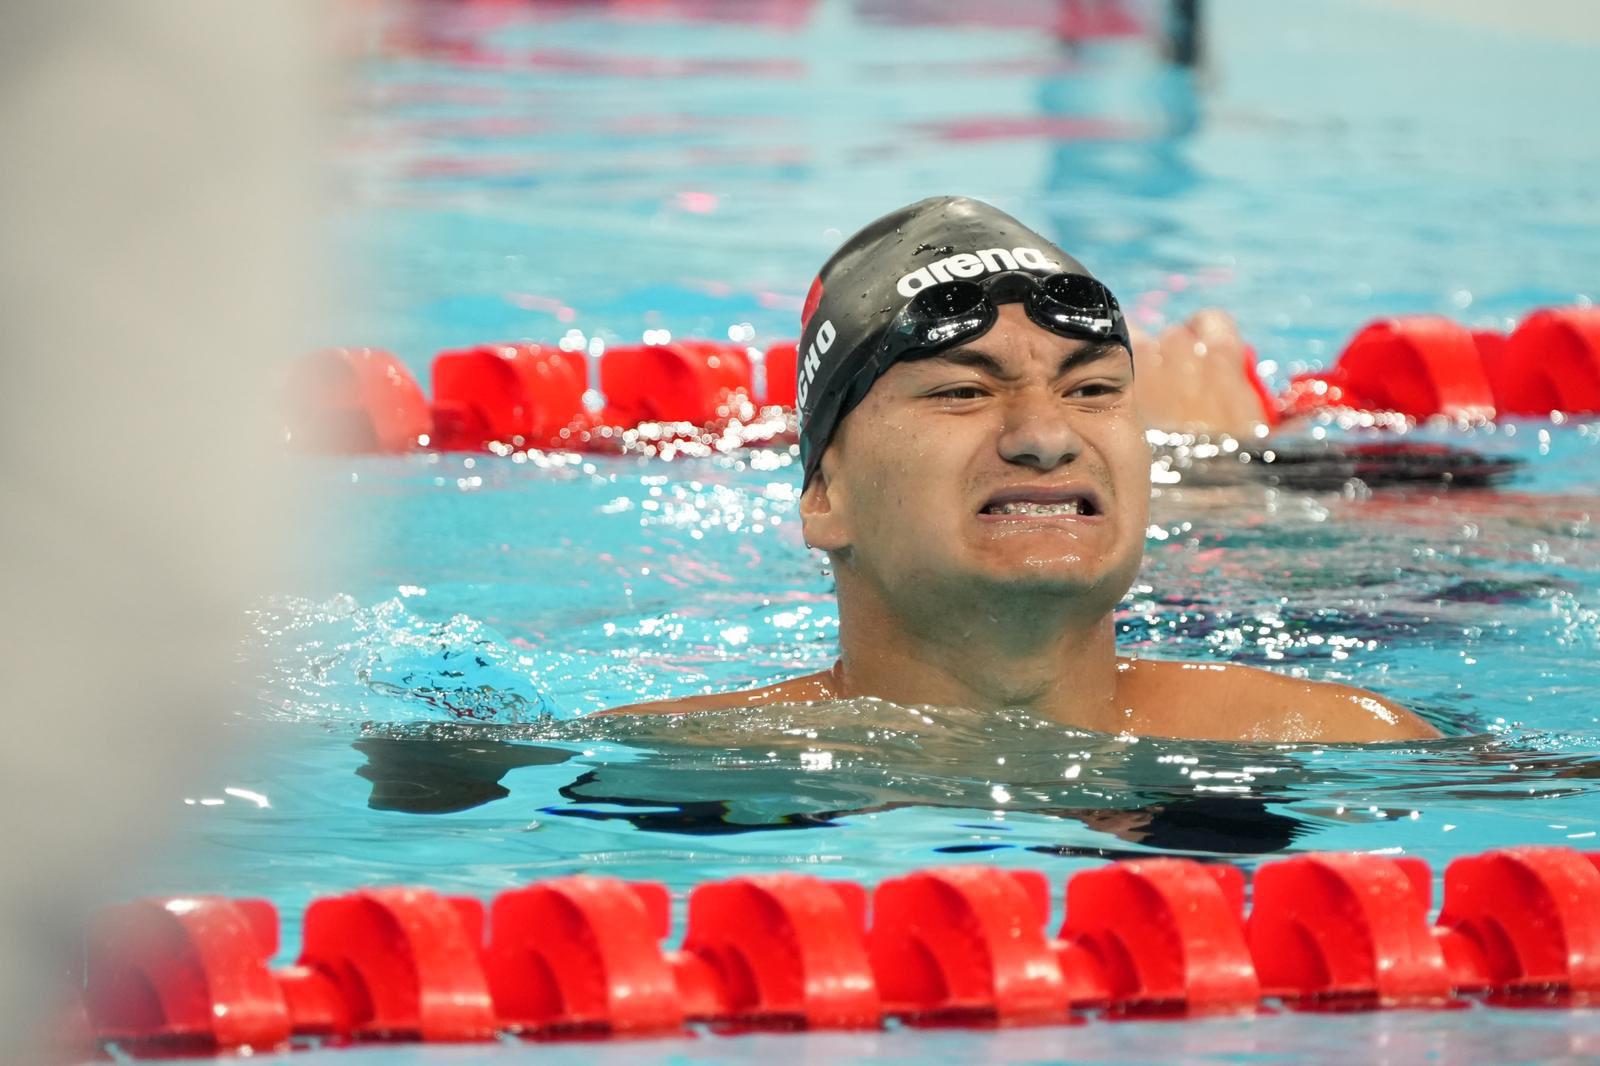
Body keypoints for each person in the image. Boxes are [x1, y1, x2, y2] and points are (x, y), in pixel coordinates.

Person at [606, 196, 1439, 742]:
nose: (1045, 436)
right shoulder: (648, 762)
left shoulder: (1352, 742)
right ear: (825, 495)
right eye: (963, 390)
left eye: (1094, 389)